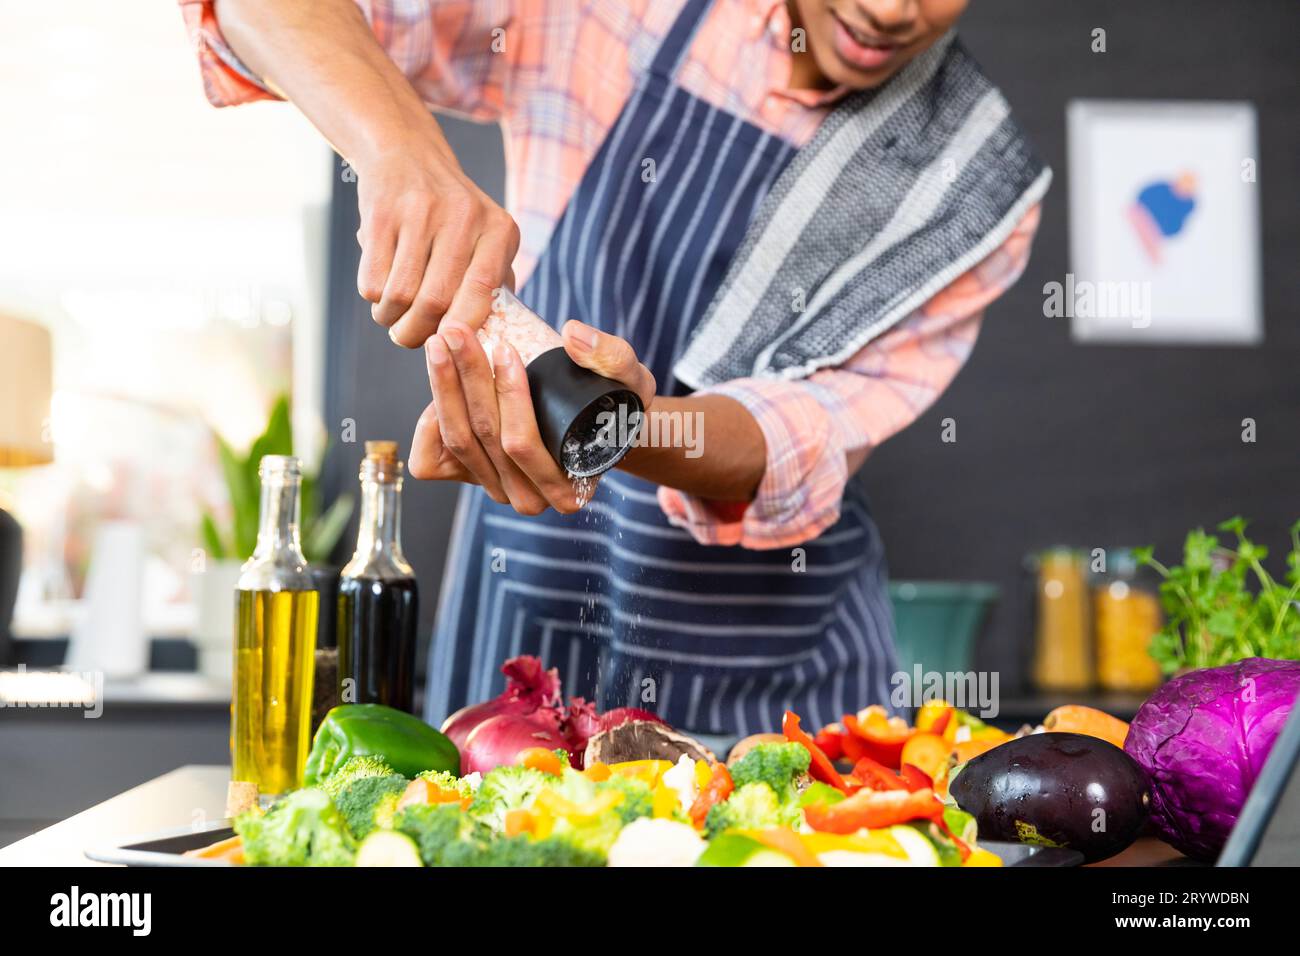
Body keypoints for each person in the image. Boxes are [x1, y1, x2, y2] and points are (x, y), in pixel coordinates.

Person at [181, 0, 1047, 738]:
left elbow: (803, 438)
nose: (891, 9)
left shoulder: (971, 177)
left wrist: (629, 427)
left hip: (776, 679)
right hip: (531, 610)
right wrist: (403, 151)